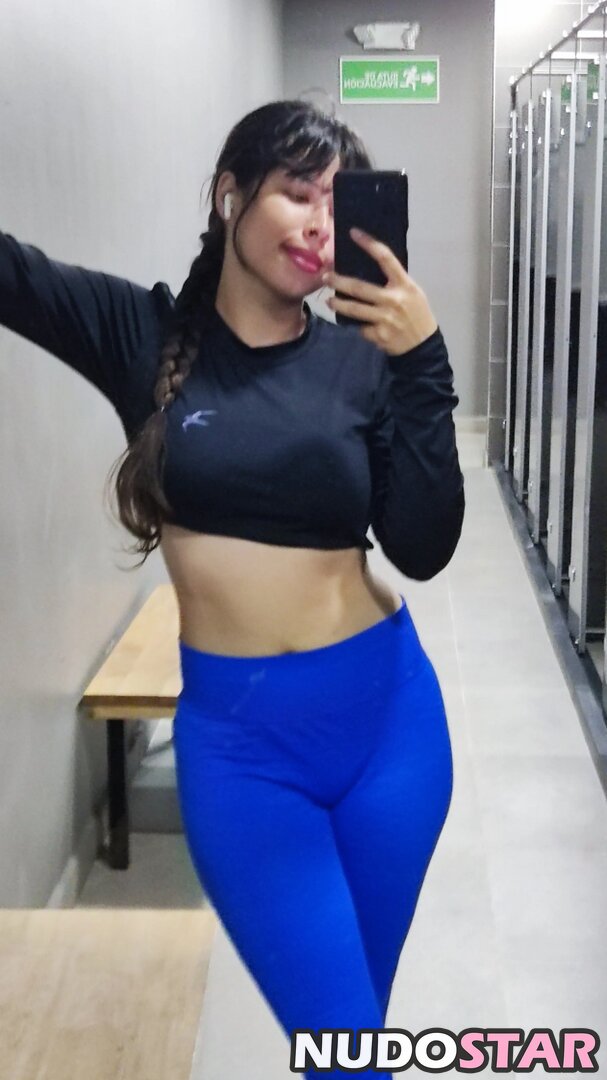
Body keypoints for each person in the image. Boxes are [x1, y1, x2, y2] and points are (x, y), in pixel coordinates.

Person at [0, 99, 465, 1079]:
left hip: (391, 733)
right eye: (298, 193)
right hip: (247, 760)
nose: (319, 224)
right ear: (228, 195)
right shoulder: (140, 335)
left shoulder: (361, 360)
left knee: (349, 1040)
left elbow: (422, 548)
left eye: (337, 203)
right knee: (349, 1054)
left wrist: (421, 364)